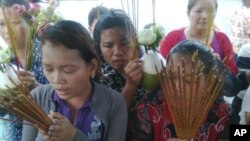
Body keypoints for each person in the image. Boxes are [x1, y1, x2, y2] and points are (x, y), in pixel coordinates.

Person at [21, 20, 128, 141]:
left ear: (92, 67)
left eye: (68, 70)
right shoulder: (37, 98)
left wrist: (73, 136)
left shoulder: (114, 103)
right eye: (49, 69)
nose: (56, 80)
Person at [127, 40, 231, 141]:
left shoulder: (225, 113)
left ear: (209, 83)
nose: (175, 87)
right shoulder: (148, 108)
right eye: (170, 78)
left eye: (188, 81)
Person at [0, 0, 48, 141]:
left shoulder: (49, 55)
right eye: (1, 24)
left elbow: (69, 98)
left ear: (31, 22)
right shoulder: (5, 63)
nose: (7, 30)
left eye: (14, 23)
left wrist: (37, 86)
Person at [159, 0, 238, 76]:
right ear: (188, 14)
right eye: (198, 11)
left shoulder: (222, 40)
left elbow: (233, 72)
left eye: (210, 11)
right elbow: (160, 67)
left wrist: (218, 65)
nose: (205, 16)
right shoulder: (172, 38)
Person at [93, 9, 145, 109]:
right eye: (108, 46)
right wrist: (130, 85)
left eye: (124, 43)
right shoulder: (98, 78)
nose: (117, 52)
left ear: (135, 42)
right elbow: (112, 120)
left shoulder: (145, 64)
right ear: (99, 48)